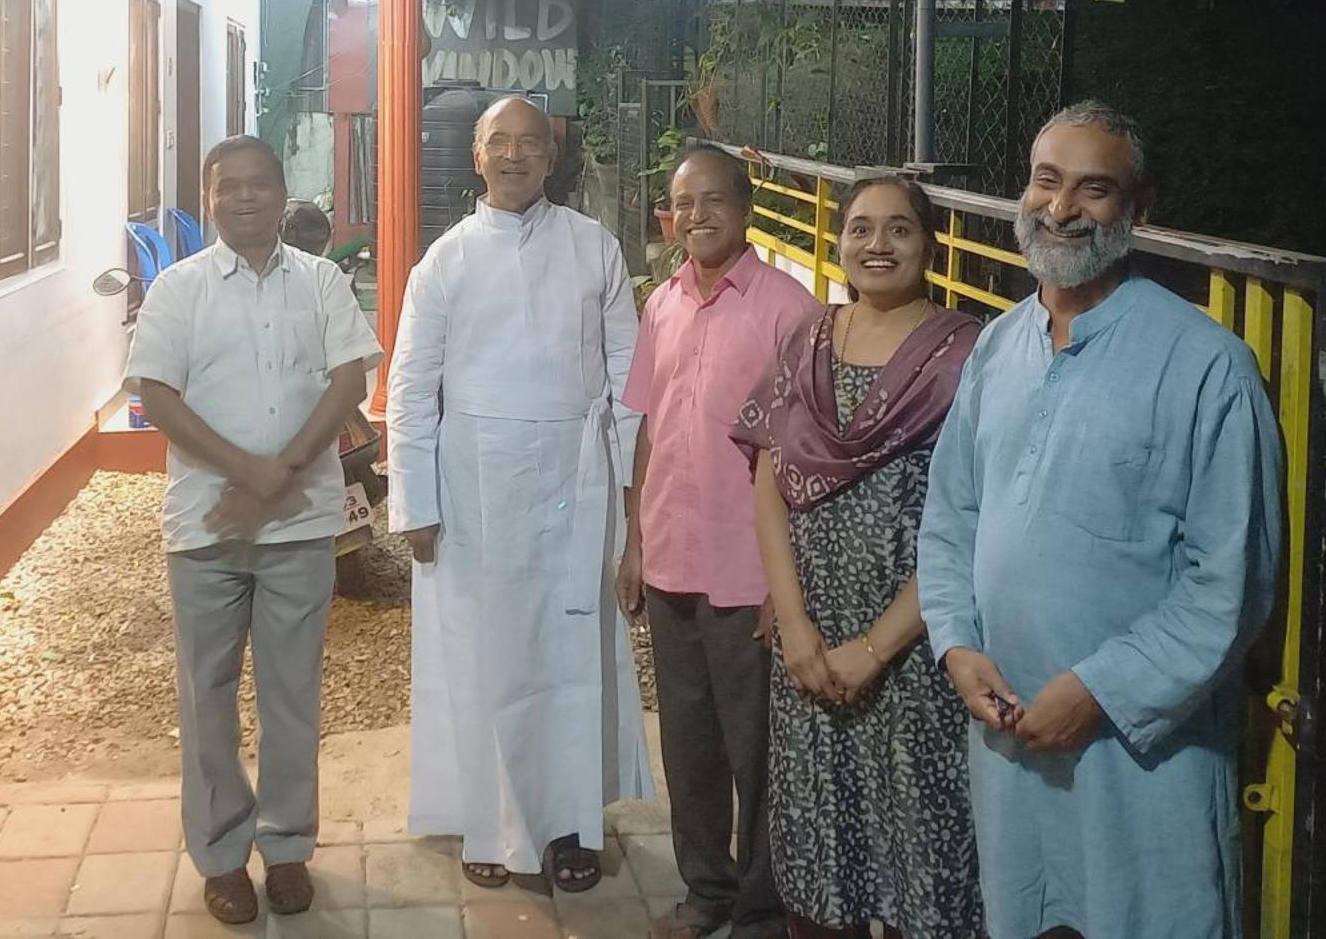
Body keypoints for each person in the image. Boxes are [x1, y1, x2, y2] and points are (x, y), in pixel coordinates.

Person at [917, 102, 1283, 939]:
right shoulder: (999, 346)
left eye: (1095, 190)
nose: (1061, 209)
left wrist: (1102, 693)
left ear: (1140, 209)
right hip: (1009, 741)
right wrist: (956, 641)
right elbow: (952, 515)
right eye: (1047, 180)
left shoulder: (1207, 365)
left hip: (1140, 761)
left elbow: (1229, 585)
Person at [386, 96, 651, 892]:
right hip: (474, 485)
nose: (513, 156)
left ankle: (569, 826)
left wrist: (632, 501)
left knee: (570, 654)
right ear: (476, 155)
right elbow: (408, 387)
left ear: (551, 154)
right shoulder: (444, 261)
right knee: (484, 655)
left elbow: (629, 380)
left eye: (528, 143)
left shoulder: (593, 247)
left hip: (577, 479)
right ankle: (484, 820)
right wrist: (415, 504)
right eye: (498, 142)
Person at [125, 135, 382, 926]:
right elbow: (158, 396)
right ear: (209, 197)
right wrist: (248, 469)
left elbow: (350, 378)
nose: (244, 198)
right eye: (227, 187)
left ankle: (288, 847)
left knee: (291, 696)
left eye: (258, 185)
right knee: (206, 698)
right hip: (207, 529)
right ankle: (220, 855)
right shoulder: (177, 290)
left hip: (300, 528)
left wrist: (286, 468)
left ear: (281, 193)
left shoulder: (323, 283)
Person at [734, 177, 985, 939]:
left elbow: (976, 522)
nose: (878, 245)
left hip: (917, 643)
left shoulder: (968, 355)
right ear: (838, 241)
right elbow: (770, 485)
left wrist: (875, 649)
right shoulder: (806, 340)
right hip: (811, 647)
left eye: (899, 230)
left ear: (929, 244)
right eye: (861, 229)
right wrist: (798, 629)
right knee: (821, 847)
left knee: (923, 849)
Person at [618, 146, 822, 939]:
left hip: (750, 569)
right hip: (671, 557)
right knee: (689, 745)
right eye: (682, 203)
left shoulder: (790, 310)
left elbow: (809, 456)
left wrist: (791, 579)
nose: (696, 216)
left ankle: (763, 907)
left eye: (713, 200)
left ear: (745, 208)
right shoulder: (661, 304)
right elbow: (648, 431)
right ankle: (706, 892)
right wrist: (635, 542)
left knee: (758, 751)